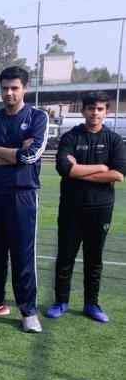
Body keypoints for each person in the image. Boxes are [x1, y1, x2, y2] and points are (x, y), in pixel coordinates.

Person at [0, 66, 48, 333]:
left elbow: (30, 156)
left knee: (23, 255)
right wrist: (12, 153)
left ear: (26, 88)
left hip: (22, 195)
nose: (9, 93)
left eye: (14, 87)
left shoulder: (38, 118)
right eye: (4, 88)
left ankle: (28, 312)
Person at [47, 91, 126, 323]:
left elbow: (119, 174)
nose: (95, 112)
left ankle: (92, 303)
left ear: (107, 112)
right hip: (72, 207)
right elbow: (64, 169)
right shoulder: (71, 137)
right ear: (83, 111)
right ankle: (60, 301)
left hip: (101, 208)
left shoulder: (113, 140)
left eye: (100, 109)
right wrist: (102, 168)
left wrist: (81, 171)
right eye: (91, 108)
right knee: (65, 258)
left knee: (94, 259)